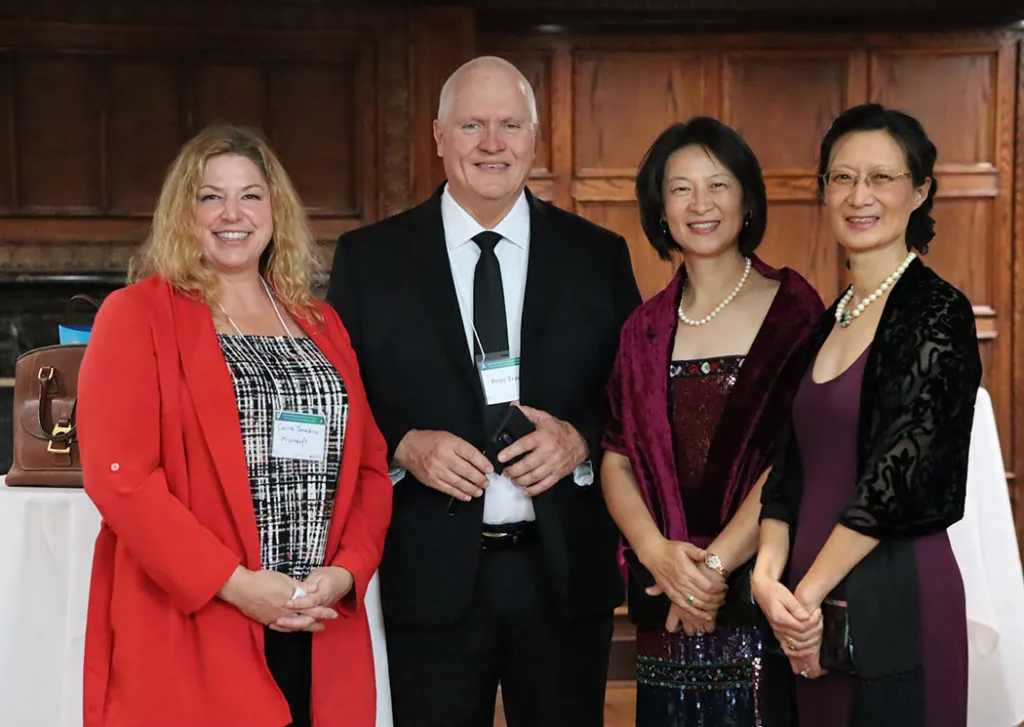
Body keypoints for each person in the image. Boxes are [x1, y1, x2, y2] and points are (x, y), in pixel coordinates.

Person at [326, 56, 641, 727]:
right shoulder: (370, 259)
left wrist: (579, 438)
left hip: (562, 576)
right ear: (438, 136)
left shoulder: (598, 255)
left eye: (510, 125)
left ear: (534, 137)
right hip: (427, 574)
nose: (492, 143)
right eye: (472, 125)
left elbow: (633, 397)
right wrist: (402, 444)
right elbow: (340, 399)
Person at [77, 125, 393, 727]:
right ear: (184, 212)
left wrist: (347, 570)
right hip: (200, 617)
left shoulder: (319, 322)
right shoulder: (137, 315)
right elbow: (122, 480)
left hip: (318, 619)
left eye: (251, 195)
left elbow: (370, 470)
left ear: (275, 210)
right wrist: (233, 583)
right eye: (210, 197)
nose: (233, 214)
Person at [754, 104, 982, 727]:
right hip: (803, 608)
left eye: (882, 178)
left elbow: (896, 477)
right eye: (842, 177)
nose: (860, 196)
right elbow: (786, 469)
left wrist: (804, 599)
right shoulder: (828, 320)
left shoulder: (939, 312)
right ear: (824, 190)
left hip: (892, 596)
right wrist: (767, 582)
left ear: (920, 191)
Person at [601, 117, 822, 726]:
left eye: (718, 184)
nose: (701, 204)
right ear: (660, 209)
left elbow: (795, 457)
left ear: (747, 199)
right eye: (681, 189)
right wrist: (660, 557)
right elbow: (616, 457)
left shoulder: (795, 311)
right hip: (663, 596)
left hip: (761, 593)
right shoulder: (643, 328)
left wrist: (712, 571)